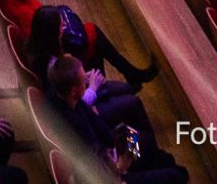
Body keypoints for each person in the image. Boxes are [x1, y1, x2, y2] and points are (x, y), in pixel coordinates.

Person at [44, 55, 187, 184]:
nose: (87, 82)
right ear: (74, 90)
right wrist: (120, 166)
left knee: (144, 140)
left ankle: (148, 162)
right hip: (111, 174)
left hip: (110, 152)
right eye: (83, 80)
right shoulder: (75, 126)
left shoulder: (66, 97)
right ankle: (149, 166)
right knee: (177, 176)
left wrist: (118, 142)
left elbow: (101, 128)